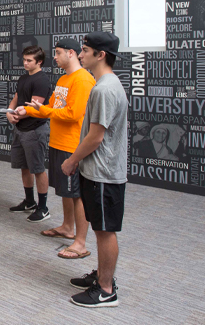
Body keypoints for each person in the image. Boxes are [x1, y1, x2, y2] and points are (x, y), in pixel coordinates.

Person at [63, 32, 128, 308]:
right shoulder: (106, 84)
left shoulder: (103, 89)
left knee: (104, 230)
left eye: (85, 50)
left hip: (103, 173)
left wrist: (71, 160)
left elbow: (95, 136)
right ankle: (102, 275)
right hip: (99, 171)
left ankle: (105, 290)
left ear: (100, 55)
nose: (80, 55)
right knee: (102, 227)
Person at [16, 38, 95, 260]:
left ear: (71, 53)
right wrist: (29, 111)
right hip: (58, 142)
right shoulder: (63, 79)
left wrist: (42, 111)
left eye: (59, 53)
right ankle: (67, 227)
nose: (55, 57)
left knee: (76, 194)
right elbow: (52, 107)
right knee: (65, 191)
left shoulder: (82, 80)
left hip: (72, 145)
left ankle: (80, 242)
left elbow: (72, 114)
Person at [5, 46, 53, 222]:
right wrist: (9, 112)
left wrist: (19, 113)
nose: (25, 63)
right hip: (21, 129)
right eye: (24, 59)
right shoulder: (24, 77)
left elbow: (35, 106)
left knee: (38, 168)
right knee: (25, 167)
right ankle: (29, 201)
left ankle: (43, 207)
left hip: (35, 130)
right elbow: (17, 97)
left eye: (29, 60)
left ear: (39, 62)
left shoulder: (42, 80)